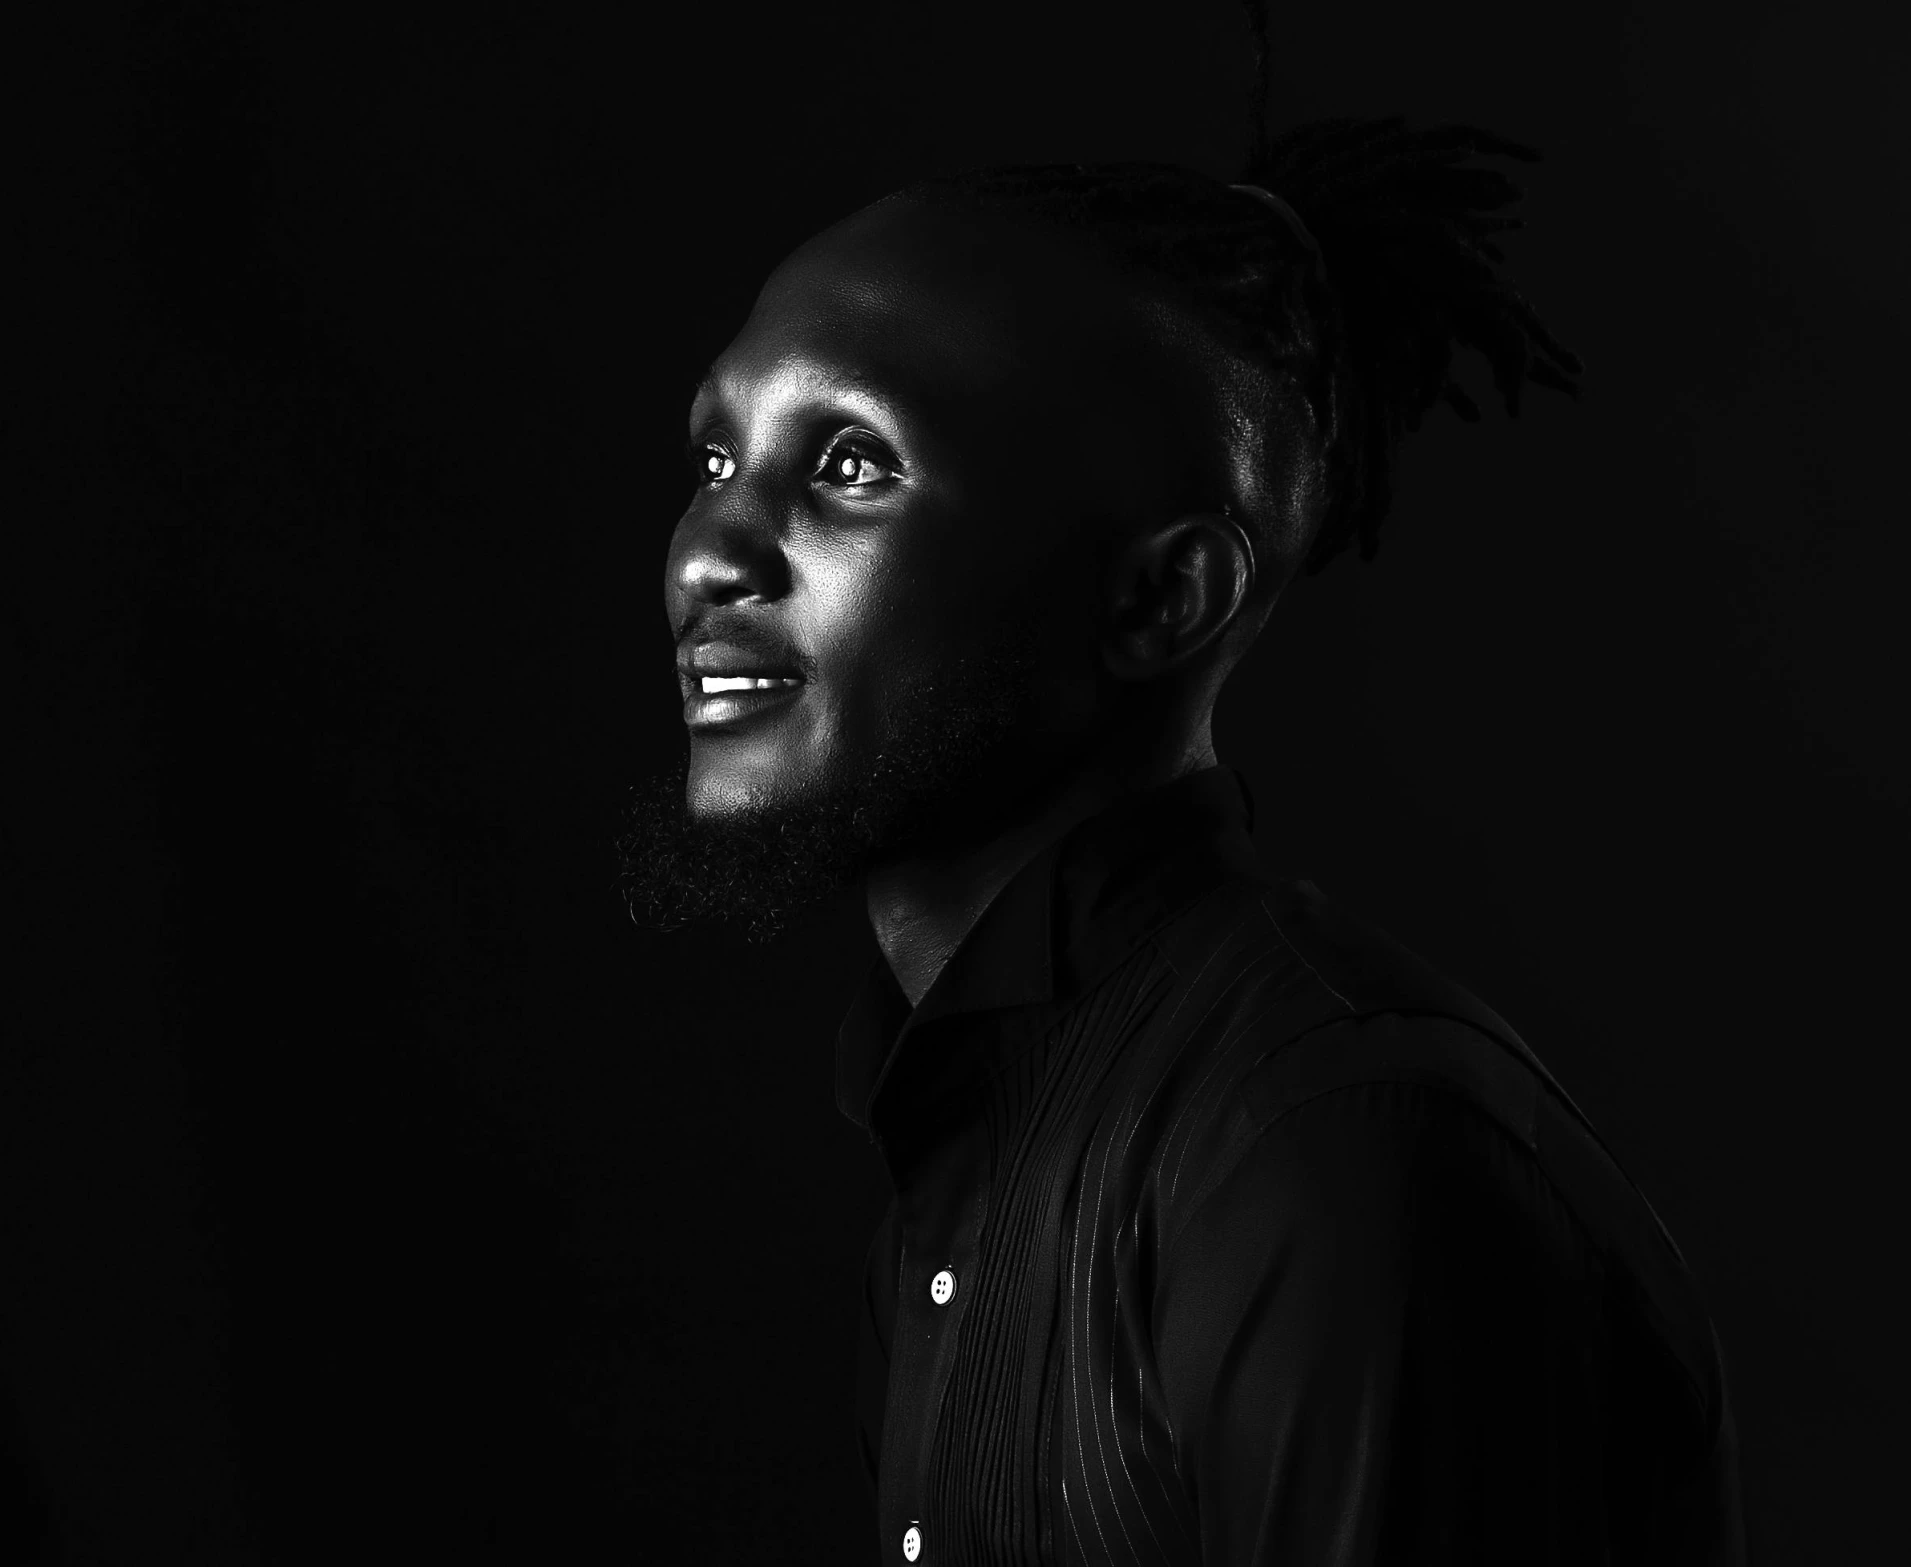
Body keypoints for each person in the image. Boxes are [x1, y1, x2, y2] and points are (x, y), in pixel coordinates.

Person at [615, 87, 1745, 1567]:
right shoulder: (971, 1138)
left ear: (1162, 598)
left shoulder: (1322, 1152)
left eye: (847, 463)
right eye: (714, 460)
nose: (710, 552)